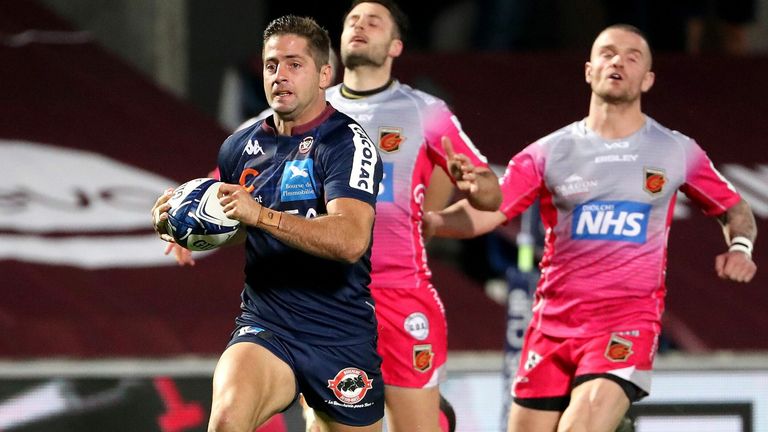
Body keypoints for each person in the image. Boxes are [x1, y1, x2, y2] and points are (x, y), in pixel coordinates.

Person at [423, 24, 757, 432]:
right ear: (588, 70)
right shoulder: (548, 152)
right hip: (552, 328)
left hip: (625, 323)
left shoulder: (674, 150)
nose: (618, 61)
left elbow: (735, 208)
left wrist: (740, 246)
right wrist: (434, 221)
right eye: (608, 53)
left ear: (648, 78)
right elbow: (489, 214)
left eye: (632, 56)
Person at [152, 15, 388, 432]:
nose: (280, 75)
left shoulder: (346, 144)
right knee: (226, 420)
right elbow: (237, 221)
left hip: (339, 334)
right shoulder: (239, 147)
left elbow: (351, 239)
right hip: (267, 326)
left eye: (295, 64)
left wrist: (259, 214)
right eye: (271, 64)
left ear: (324, 74)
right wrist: (188, 223)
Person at [321, 1, 502, 431]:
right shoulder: (311, 109)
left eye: (373, 21)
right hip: (328, 295)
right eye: (352, 21)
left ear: (395, 46)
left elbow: (492, 196)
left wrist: (477, 183)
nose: (360, 26)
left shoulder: (426, 111)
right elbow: (245, 160)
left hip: (402, 294)